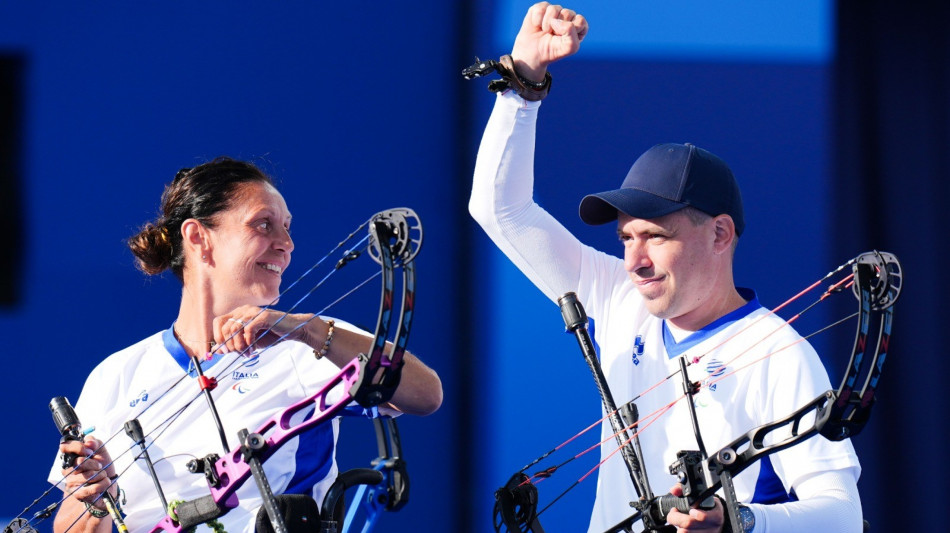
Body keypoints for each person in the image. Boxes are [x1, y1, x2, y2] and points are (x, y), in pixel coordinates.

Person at [468, 4, 862, 532]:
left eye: (655, 235)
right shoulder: (614, 295)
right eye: (626, 237)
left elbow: (843, 516)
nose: (635, 259)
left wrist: (736, 520)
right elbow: (500, 209)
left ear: (720, 233)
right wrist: (523, 81)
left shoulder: (780, 354)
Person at [49, 157, 443, 533]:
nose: (286, 243)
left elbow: (425, 395)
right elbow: (74, 523)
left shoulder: (310, 341)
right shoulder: (115, 374)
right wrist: (97, 500)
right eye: (263, 225)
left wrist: (307, 330)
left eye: (288, 227)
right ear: (199, 238)